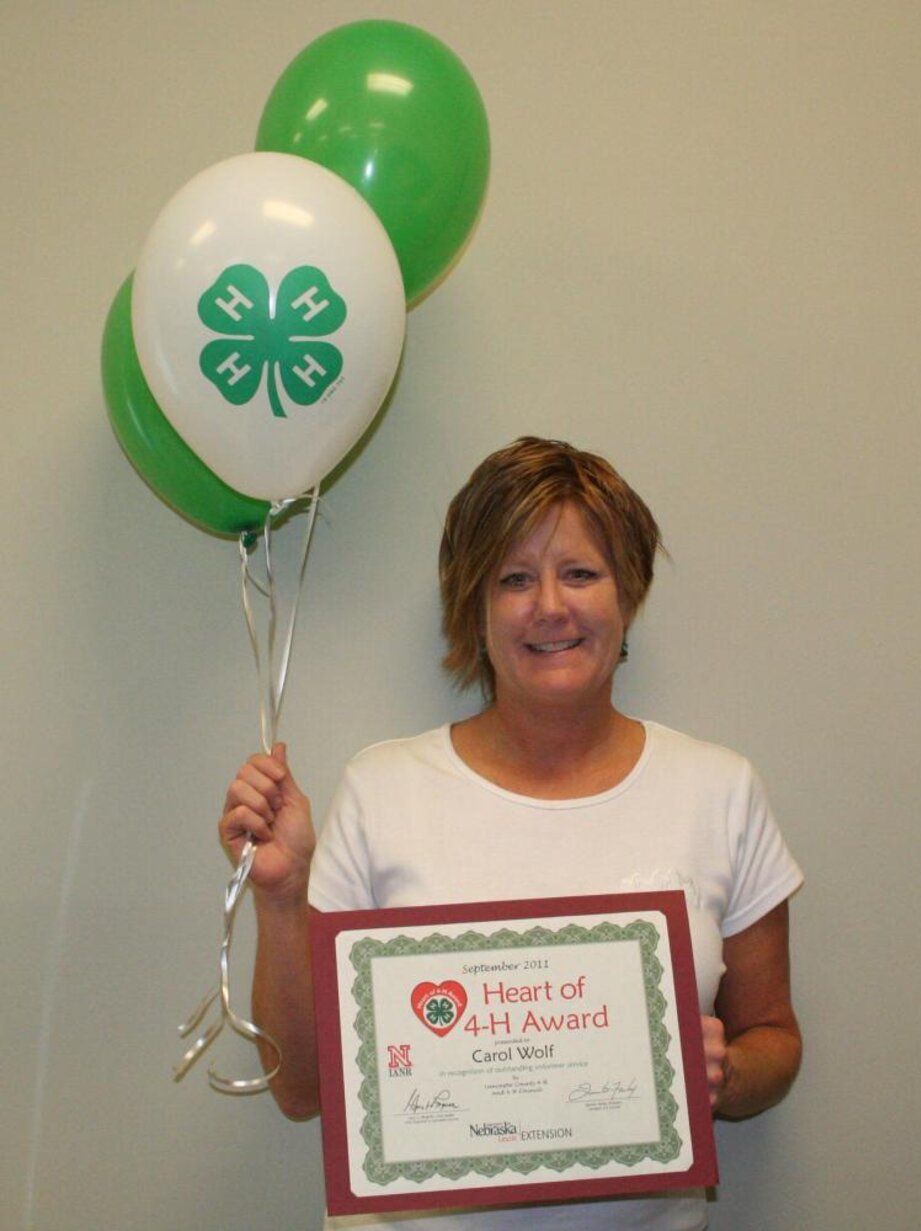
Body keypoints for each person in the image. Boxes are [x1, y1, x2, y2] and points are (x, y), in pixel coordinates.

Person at [220, 437, 803, 1231]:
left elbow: (774, 1035)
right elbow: (303, 1090)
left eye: (581, 572)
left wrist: (722, 1076)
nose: (550, 606)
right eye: (514, 578)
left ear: (627, 593)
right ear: (473, 604)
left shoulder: (719, 788)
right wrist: (283, 895)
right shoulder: (382, 789)